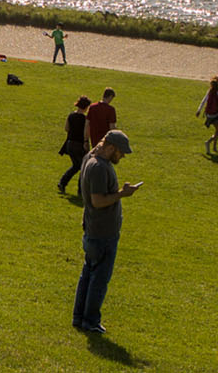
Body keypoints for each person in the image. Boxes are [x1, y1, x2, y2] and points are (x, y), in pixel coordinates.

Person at [74, 130, 141, 334]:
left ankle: (79, 317)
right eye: (120, 153)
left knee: (88, 275)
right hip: (102, 233)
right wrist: (122, 193)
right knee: (99, 279)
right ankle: (91, 321)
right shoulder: (99, 168)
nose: (121, 157)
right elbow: (98, 200)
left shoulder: (90, 159)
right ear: (111, 147)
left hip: (93, 229)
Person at [61, 89, 117, 193]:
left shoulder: (73, 115)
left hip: (71, 144)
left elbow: (67, 128)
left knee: (77, 166)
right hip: (83, 144)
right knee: (84, 167)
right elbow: (108, 127)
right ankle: (81, 189)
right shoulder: (86, 118)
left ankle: (64, 183)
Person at [198, 75, 218, 154]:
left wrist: (199, 110)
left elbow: (204, 101)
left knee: (217, 130)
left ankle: (214, 148)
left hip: (208, 114)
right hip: (215, 114)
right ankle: (208, 142)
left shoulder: (210, 90)